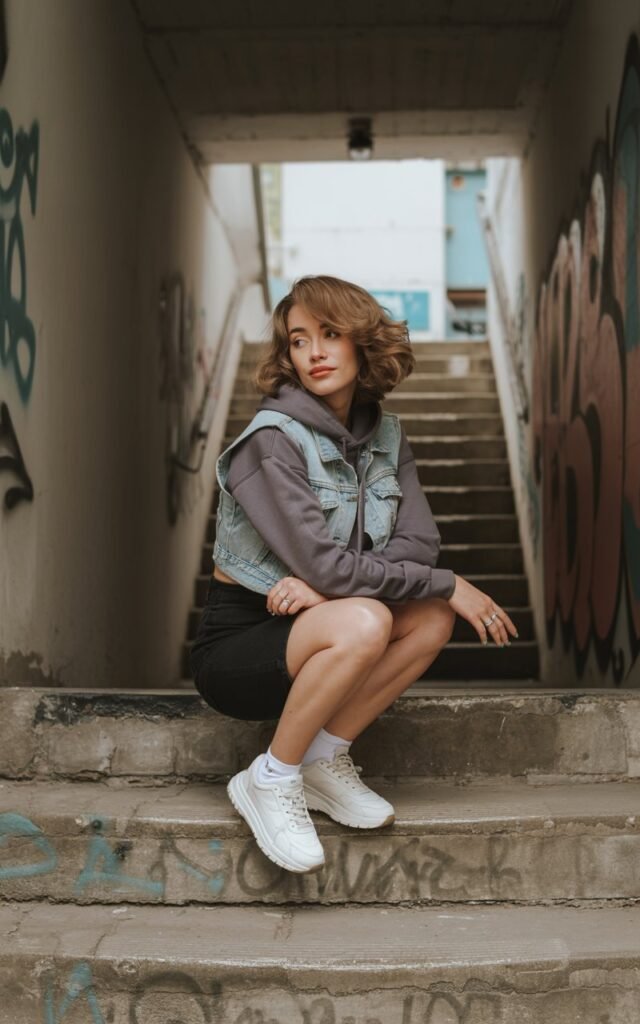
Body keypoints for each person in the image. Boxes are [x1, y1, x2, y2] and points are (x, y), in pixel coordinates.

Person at [190, 275, 517, 875]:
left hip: (318, 621)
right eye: (297, 339)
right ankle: (272, 776)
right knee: (371, 617)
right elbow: (334, 565)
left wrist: (330, 585)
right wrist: (435, 581)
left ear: (362, 343)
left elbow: (420, 544)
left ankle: (322, 757)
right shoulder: (271, 441)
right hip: (239, 648)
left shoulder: (386, 437)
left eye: (330, 334)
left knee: (429, 616)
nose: (313, 351)